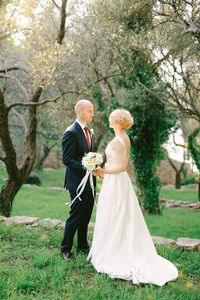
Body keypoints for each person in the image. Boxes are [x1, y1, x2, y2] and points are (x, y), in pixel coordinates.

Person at [88, 109, 178, 286]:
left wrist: (103, 170)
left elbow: (122, 166)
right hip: (114, 181)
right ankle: (113, 244)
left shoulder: (119, 141)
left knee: (116, 214)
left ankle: (115, 250)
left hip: (117, 181)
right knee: (116, 213)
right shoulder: (124, 138)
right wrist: (103, 171)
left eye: (112, 119)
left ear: (118, 123)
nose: (109, 120)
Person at [60, 99, 96, 260]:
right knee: (75, 215)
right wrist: (86, 166)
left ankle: (82, 245)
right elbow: (67, 159)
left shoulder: (88, 131)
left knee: (86, 214)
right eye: (90, 111)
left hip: (90, 182)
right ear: (79, 111)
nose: (92, 114)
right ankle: (65, 248)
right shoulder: (71, 132)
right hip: (77, 182)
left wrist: (94, 166)